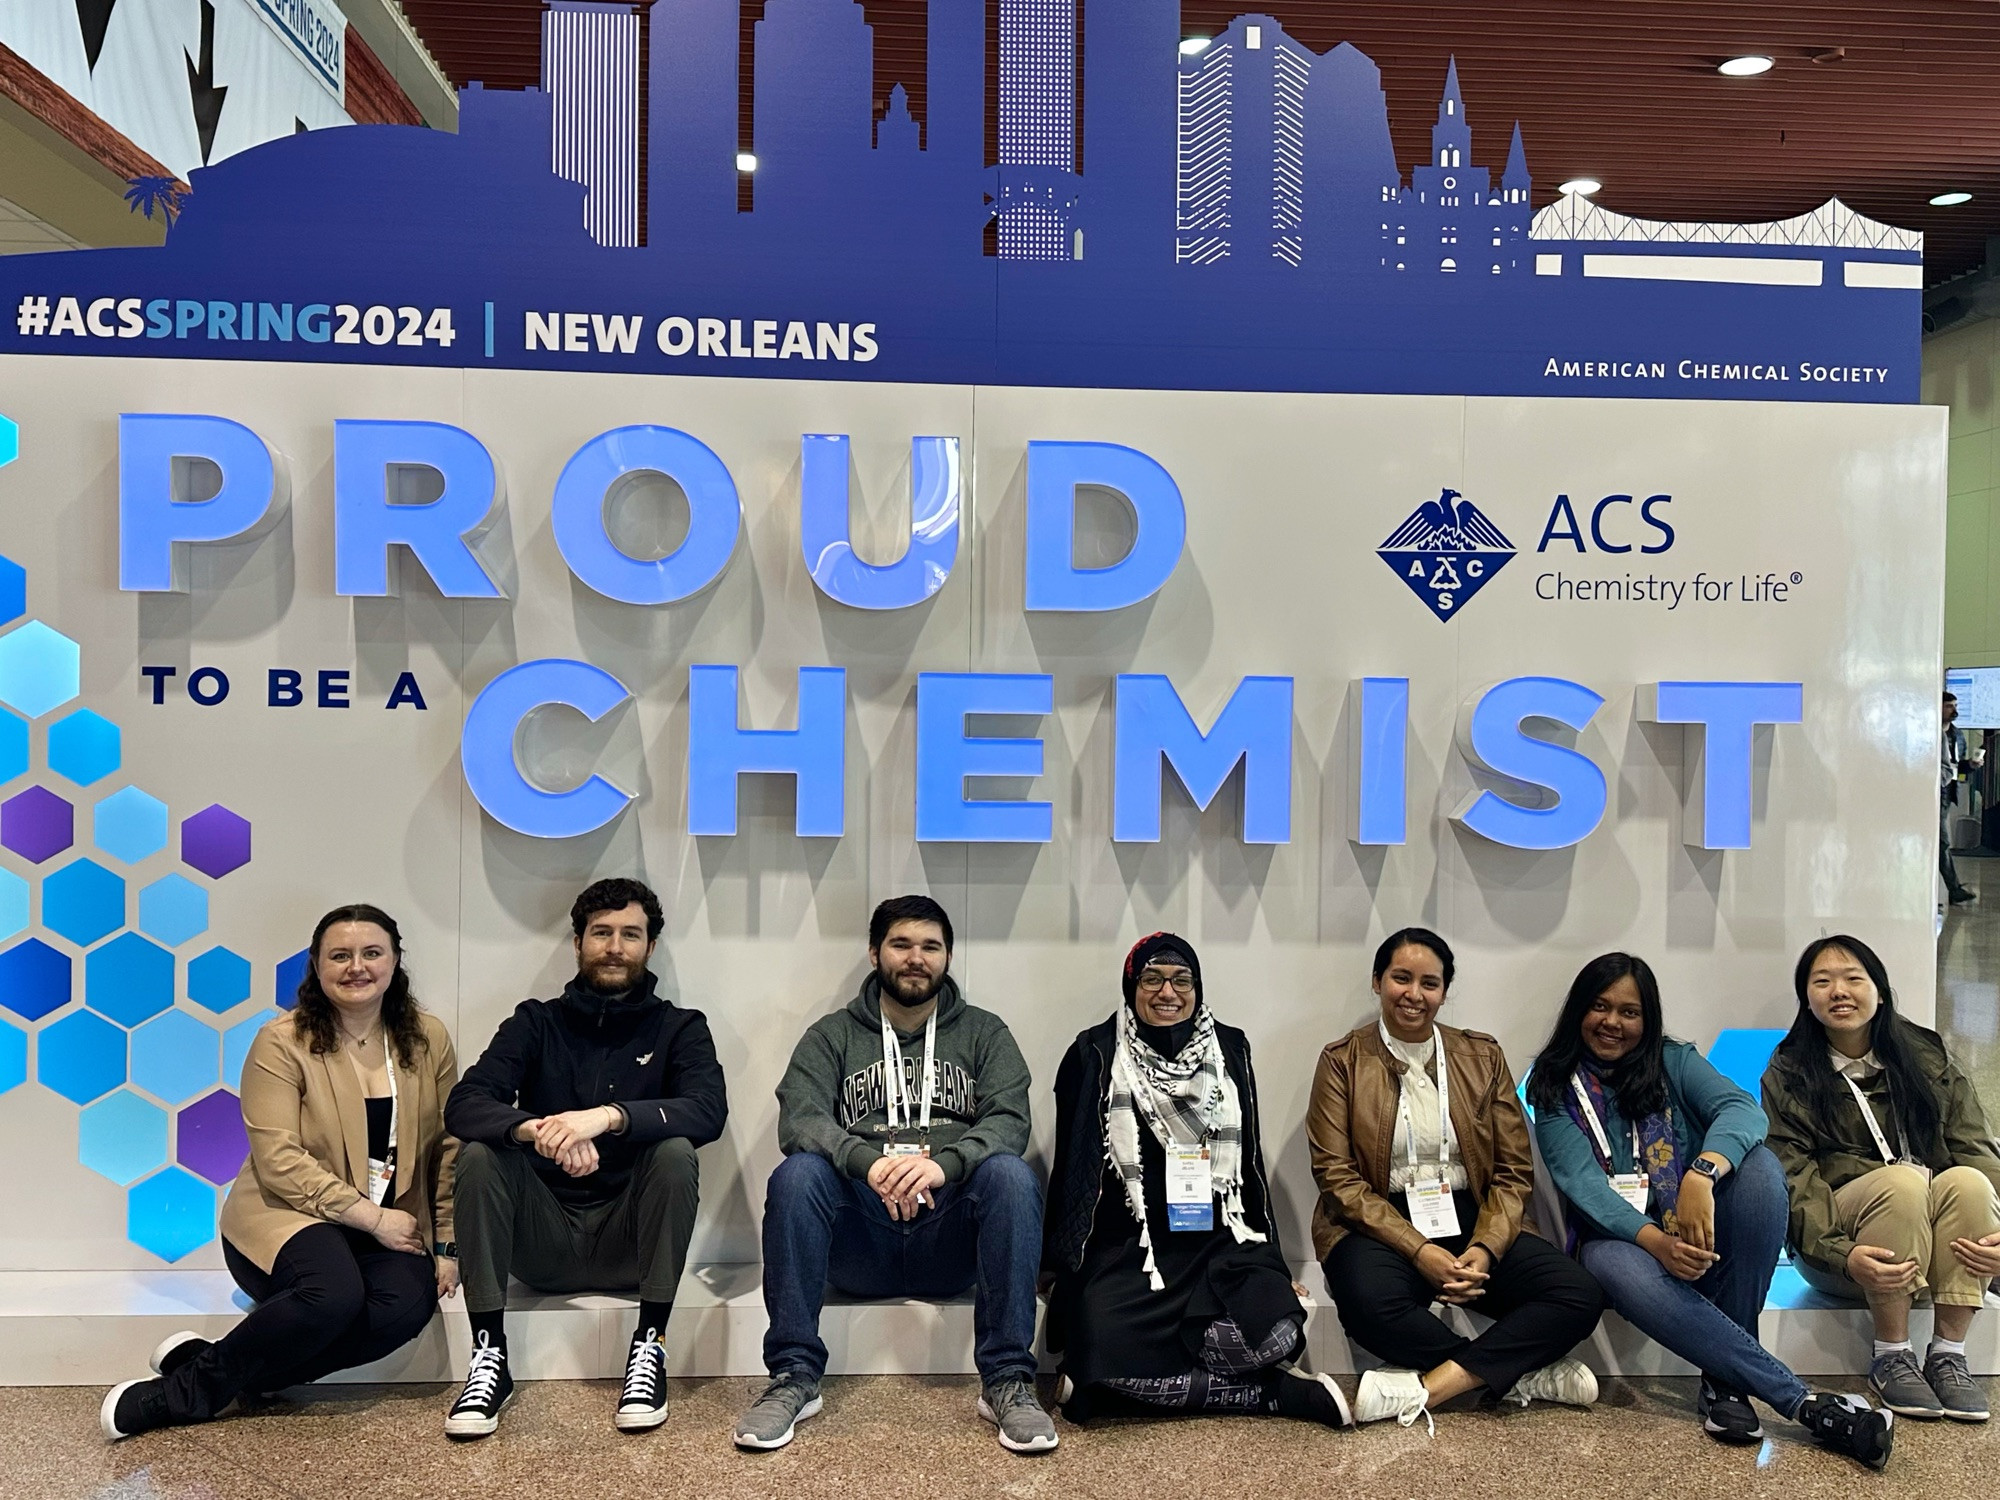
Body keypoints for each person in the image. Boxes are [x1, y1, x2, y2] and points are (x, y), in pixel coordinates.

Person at [102, 905, 459, 1440]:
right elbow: (278, 1159)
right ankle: (181, 1394)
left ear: (394, 962)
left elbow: (447, 1146)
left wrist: (447, 1245)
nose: (356, 966)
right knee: (333, 1295)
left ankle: (219, 1367)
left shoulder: (427, 1037)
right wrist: (370, 1218)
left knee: (406, 1307)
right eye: (339, 955)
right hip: (285, 1217)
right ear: (316, 966)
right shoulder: (282, 1040)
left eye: (371, 953)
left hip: (386, 1227)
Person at [1527, 952, 1892, 1466]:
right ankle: (1803, 1402)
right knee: (1608, 1262)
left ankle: (1724, 1385)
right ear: (1578, 1012)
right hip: (1621, 1242)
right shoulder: (1555, 1086)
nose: (1613, 1023)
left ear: (1647, 1018)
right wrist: (1657, 1242)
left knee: (1761, 1170)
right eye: (1599, 1007)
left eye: (1629, 1012)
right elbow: (1584, 1186)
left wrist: (1702, 1174)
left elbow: (1741, 1109)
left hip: (1696, 1229)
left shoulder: (1672, 1060)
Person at [733, 895, 1056, 1454]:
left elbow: (1009, 1120)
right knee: (796, 1176)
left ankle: (1007, 1380)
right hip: (862, 1236)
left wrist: (941, 1167)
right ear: (874, 953)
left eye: (930, 946)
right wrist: (872, 1164)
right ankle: (793, 1378)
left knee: (1011, 1176)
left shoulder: (985, 1034)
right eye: (901, 944)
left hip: (949, 1235)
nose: (916, 958)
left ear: (947, 957)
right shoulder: (831, 1036)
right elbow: (801, 1117)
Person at [442, 877, 726, 1438]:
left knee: (675, 1152)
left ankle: (650, 1345)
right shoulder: (535, 1021)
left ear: (650, 946)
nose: (615, 946)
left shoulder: (680, 1028)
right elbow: (466, 1103)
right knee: (479, 1153)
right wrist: (534, 1130)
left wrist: (606, 1117)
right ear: (578, 943)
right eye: (601, 933)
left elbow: (706, 1112)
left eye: (630, 934)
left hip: (630, 1243)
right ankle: (489, 1357)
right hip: (541, 1241)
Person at [1042, 933, 1350, 1428]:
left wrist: (1269, 1252)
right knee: (1097, 1345)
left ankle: (1163, 1386)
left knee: (1279, 1334)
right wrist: (1059, 1262)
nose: (1169, 992)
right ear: (1131, 985)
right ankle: (1268, 1396)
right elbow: (1073, 1164)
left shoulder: (1230, 1046)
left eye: (1182, 979)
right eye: (1153, 979)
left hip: (1220, 1244)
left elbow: (1247, 1162)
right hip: (1131, 1252)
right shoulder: (1094, 1051)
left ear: (1197, 986)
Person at [1307, 927, 1604, 1430]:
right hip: (1378, 1219)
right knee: (1366, 1305)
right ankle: (1519, 1375)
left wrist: (1486, 1248)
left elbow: (1513, 1171)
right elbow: (1336, 1177)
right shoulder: (1342, 1061)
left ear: (1445, 991)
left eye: (1430, 983)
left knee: (1579, 1293)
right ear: (1377, 981)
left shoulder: (1482, 1056)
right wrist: (1420, 1251)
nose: (1414, 995)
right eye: (1401, 979)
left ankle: (1435, 1385)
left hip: (1473, 1213)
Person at [1763, 934, 2000, 1423]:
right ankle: (1891, 1352)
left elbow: (1975, 1146)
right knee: (1902, 1183)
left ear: (1880, 990)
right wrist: (1840, 1253)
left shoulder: (1926, 1056)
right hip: (1843, 1257)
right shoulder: (1790, 1071)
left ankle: (1949, 1354)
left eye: (1854, 978)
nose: (1839, 991)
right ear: (1806, 999)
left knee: (1970, 1183)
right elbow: (1793, 1176)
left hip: (1930, 1255)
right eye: (1822, 981)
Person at [1942, 691, 1977, 905]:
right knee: (1942, 842)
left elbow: (1956, 766)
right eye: (1949, 706)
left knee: (1941, 842)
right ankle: (1953, 889)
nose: (1954, 710)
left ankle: (1953, 888)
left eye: (1955, 705)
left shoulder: (1957, 735)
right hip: (1933, 790)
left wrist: (1970, 766)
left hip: (1947, 791)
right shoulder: (1931, 732)